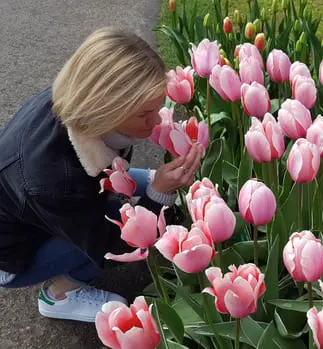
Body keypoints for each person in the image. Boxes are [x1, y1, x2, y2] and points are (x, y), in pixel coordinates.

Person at [0, 28, 201, 323]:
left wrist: (152, 190)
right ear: (105, 110)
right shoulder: (56, 181)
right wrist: (158, 193)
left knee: (141, 192)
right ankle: (60, 296)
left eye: (158, 107)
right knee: (126, 219)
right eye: (145, 114)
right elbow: (109, 247)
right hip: (12, 253)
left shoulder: (75, 99)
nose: (156, 120)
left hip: (30, 206)